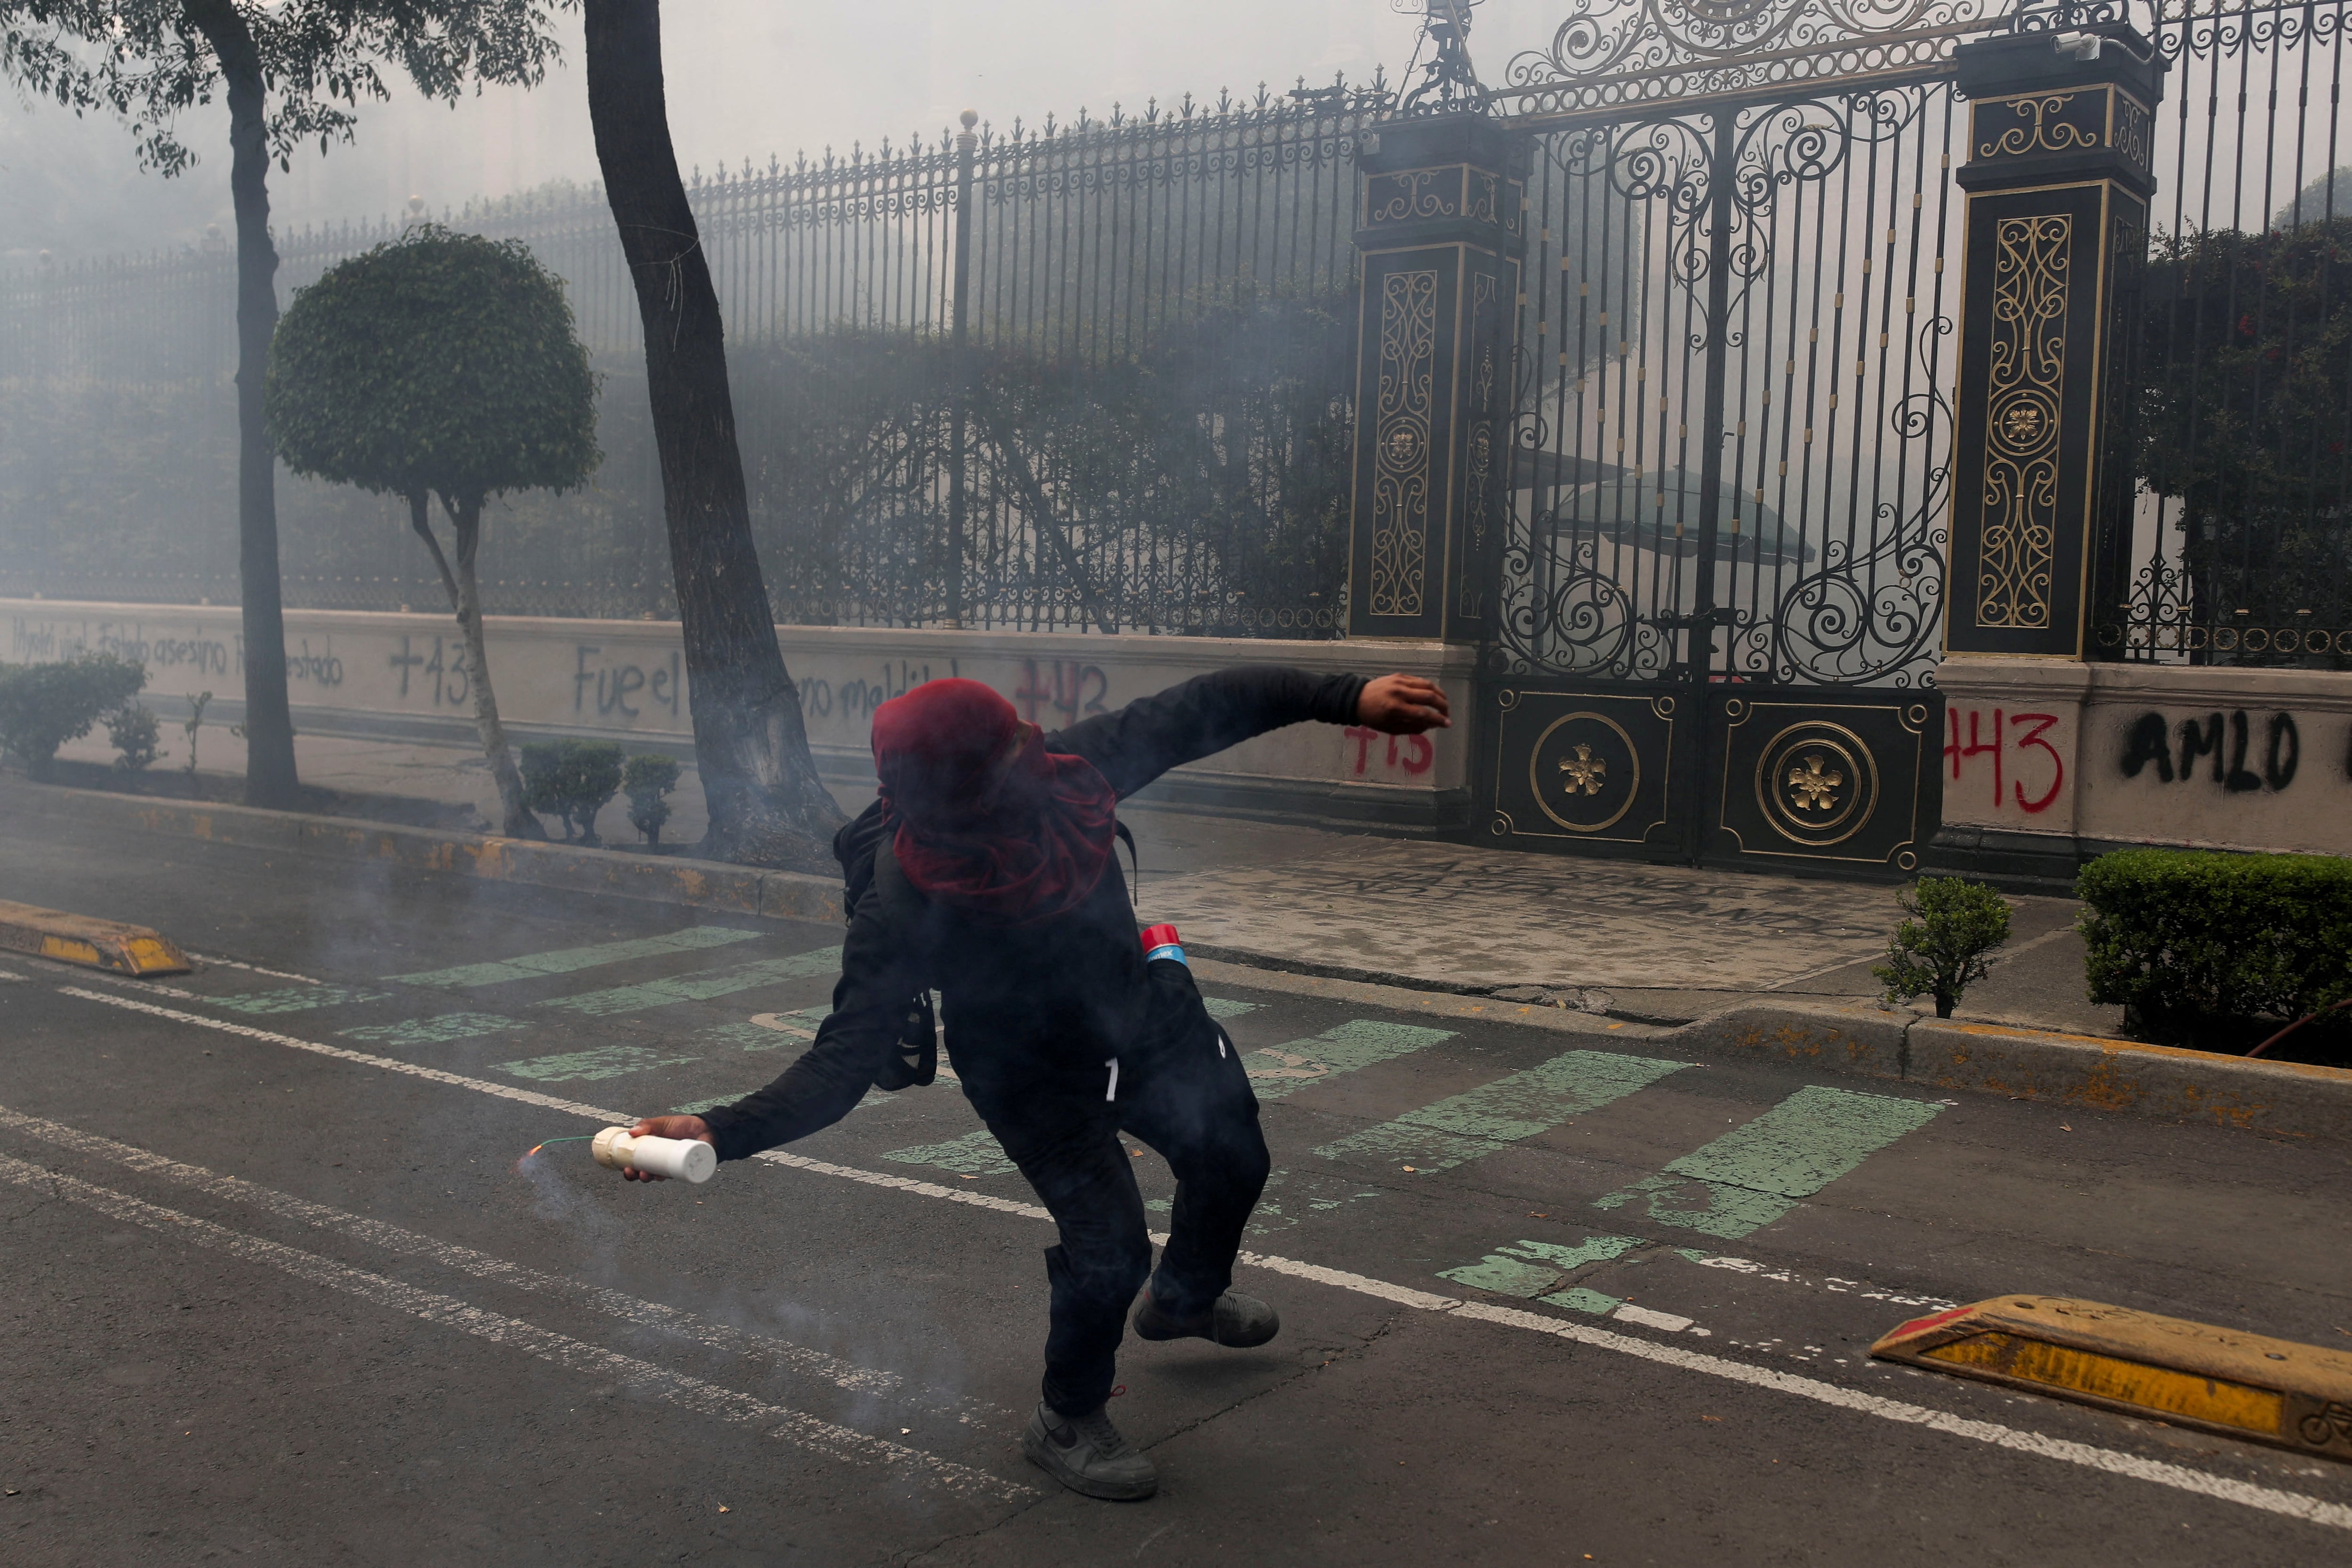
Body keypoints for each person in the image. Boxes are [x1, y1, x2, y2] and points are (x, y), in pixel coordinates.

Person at [619, 666, 1451, 1499]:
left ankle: (1188, 1297)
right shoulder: (899, 906)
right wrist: (721, 1129)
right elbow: (841, 1063)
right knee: (1109, 1249)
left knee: (1235, 1155)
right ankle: (1067, 1418)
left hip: (1143, 1017)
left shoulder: (1069, 777)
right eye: (1011, 744)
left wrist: (1347, 699)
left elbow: (1205, 706)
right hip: (1028, 1073)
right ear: (966, 788)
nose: (1035, 745)